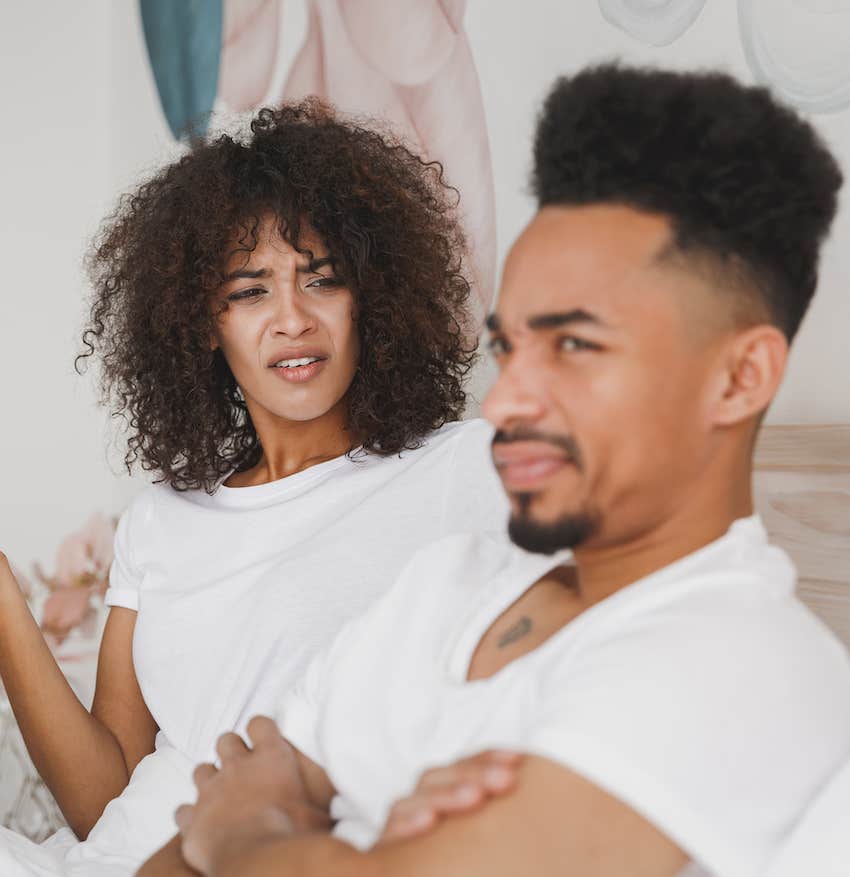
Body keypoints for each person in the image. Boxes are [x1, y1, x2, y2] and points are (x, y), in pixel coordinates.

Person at [146, 65, 850, 877]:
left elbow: (215, 835)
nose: (507, 399)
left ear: (740, 377)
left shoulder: (739, 660)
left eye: (576, 345)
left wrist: (242, 831)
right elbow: (163, 866)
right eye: (512, 347)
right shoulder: (441, 589)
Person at [0, 100, 507, 876]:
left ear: (367, 297)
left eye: (322, 279)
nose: (292, 319)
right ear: (204, 322)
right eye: (250, 291)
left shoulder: (464, 469)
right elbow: (106, 801)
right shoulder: (161, 522)